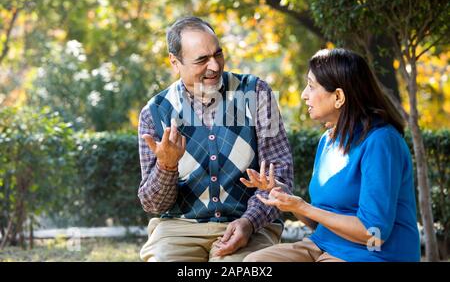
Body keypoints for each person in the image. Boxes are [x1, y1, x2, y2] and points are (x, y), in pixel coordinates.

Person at [137, 16, 294, 262]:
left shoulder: (255, 93)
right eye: (201, 60)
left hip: (247, 224)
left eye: (218, 54)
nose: (214, 66)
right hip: (178, 229)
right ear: (175, 62)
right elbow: (153, 204)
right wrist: (166, 166)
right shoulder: (155, 112)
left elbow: (281, 176)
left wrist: (249, 222)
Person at [242, 48, 421, 262]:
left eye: (311, 86)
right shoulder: (328, 140)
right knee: (255, 263)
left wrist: (302, 206)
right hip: (323, 246)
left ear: (338, 96)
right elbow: (320, 220)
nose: (304, 95)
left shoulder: (381, 141)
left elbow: (374, 232)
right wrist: (285, 199)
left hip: (373, 254)